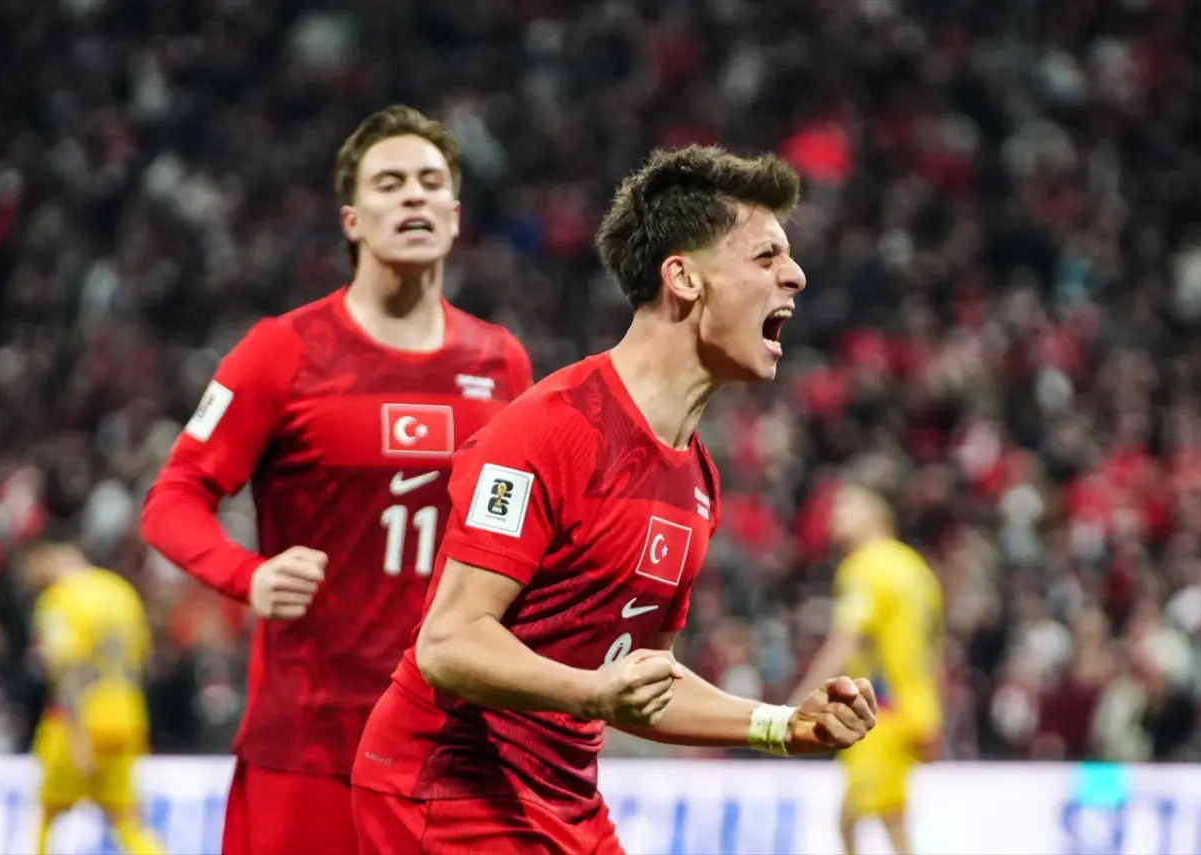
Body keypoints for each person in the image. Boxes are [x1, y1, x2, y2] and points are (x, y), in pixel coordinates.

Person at [352, 145, 878, 855]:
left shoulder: (697, 478)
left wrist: (781, 725)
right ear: (683, 278)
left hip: (563, 798)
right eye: (766, 256)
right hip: (447, 790)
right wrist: (594, 694)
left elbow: (642, 681)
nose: (796, 274)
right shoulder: (551, 430)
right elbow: (447, 644)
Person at [141, 105, 533, 855]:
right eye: (389, 183)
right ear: (352, 220)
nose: (413, 195)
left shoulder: (502, 362)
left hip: (450, 742)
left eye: (431, 182)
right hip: (310, 742)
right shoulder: (281, 351)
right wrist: (248, 575)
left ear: (455, 215)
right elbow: (173, 497)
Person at [788, 481, 945, 855]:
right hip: (915, 708)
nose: (835, 515)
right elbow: (933, 647)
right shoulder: (915, 568)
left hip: (882, 711)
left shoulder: (864, 567)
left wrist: (800, 699)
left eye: (847, 505)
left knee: (881, 823)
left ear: (876, 513)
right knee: (857, 819)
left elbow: (847, 640)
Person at [24, 534, 164, 855]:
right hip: (126, 717)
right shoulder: (120, 592)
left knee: (48, 817)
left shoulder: (61, 599)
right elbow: (144, 661)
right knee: (127, 821)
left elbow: (68, 670)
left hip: (82, 721)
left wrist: (77, 736)